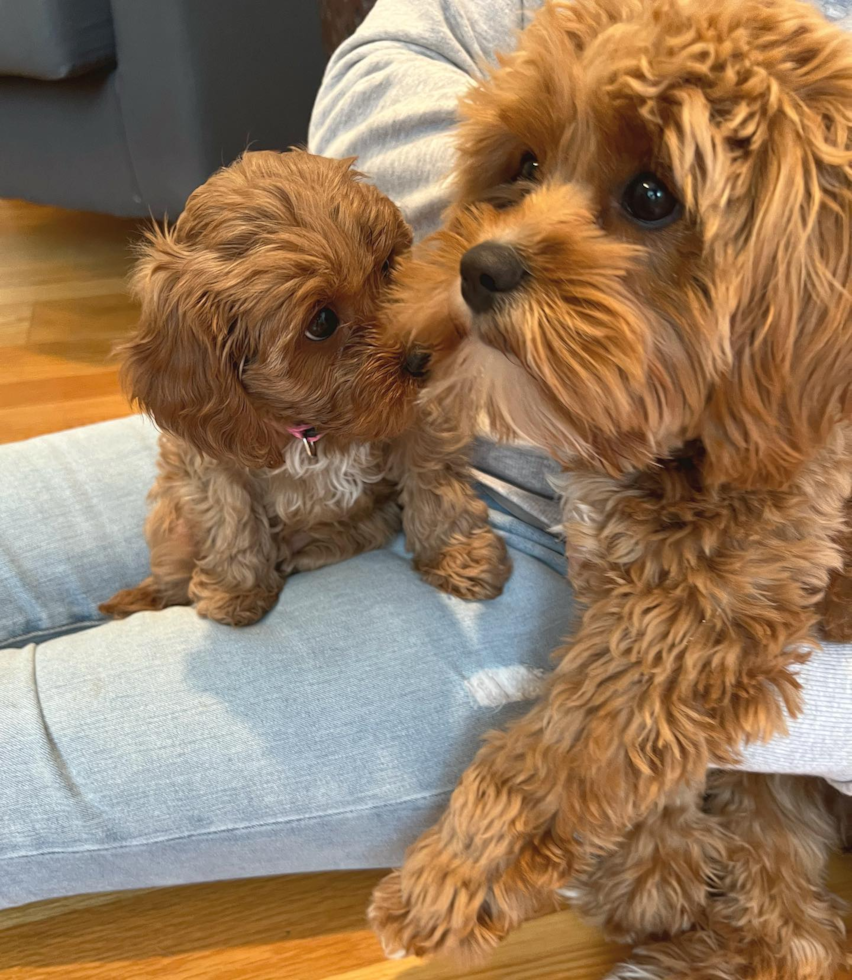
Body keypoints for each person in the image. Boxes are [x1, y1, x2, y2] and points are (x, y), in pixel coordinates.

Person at [2, 0, 851, 912]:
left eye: (650, 201)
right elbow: (385, 60)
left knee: (26, 767)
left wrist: (679, 692)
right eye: (528, 170)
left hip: (571, 593)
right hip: (348, 405)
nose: (499, 246)